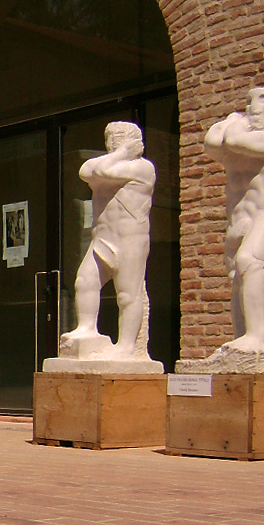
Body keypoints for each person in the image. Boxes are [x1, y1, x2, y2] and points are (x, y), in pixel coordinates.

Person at [203, 87, 264, 354]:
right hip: (240, 219)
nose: (252, 106)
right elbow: (211, 143)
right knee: (236, 275)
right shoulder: (240, 146)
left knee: (249, 262)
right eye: (249, 101)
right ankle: (243, 339)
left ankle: (259, 337)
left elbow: (232, 141)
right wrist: (230, 123)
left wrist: (233, 122)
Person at [61, 121, 155, 358]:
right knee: (84, 282)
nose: (113, 141)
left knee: (127, 294)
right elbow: (85, 171)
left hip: (129, 240)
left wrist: (123, 155)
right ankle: (87, 328)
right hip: (102, 238)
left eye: (120, 136)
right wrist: (121, 153)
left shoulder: (143, 168)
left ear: (134, 141)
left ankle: (126, 346)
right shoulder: (104, 162)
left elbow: (103, 173)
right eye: (109, 136)